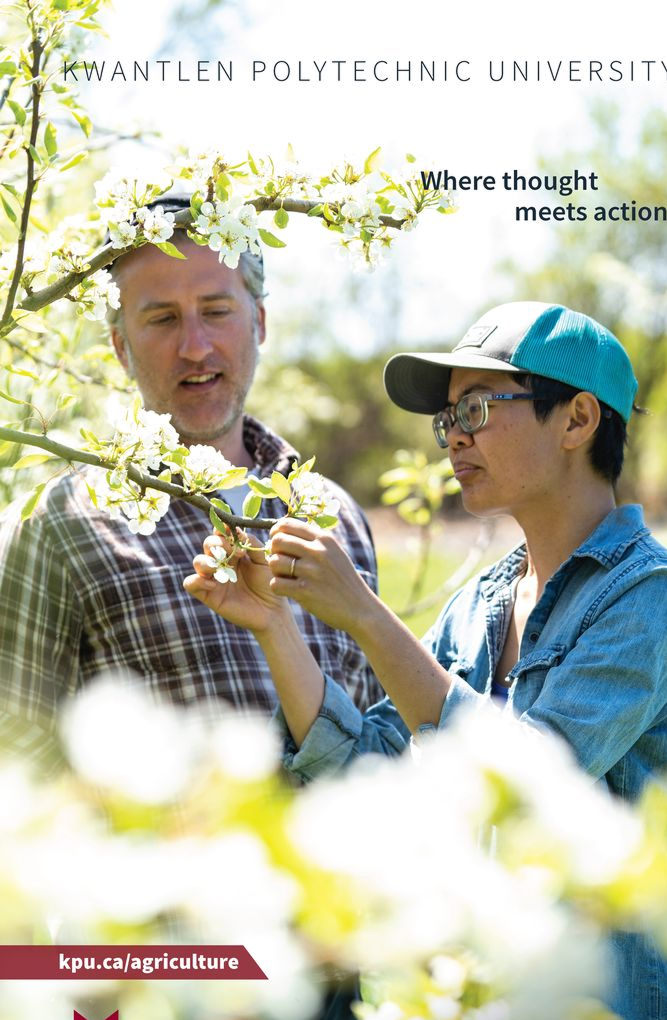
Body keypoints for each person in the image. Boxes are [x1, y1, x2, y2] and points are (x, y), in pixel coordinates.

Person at [185, 301, 667, 1020]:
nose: (452, 437)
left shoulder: (649, 594)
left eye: (476, 409)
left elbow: (531, 777)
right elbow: (373, 767)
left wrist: (367, 615)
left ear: (578, 419)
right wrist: (275, 625)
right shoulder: (478, 605)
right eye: (448, 418)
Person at [0, 194, 381, 759]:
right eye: (162, 318)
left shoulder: (334, 518)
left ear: (259, 322)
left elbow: (379, 748)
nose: (195, 346)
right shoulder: (60, 525)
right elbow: (17, 760)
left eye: (217, 310)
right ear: (120, 347)